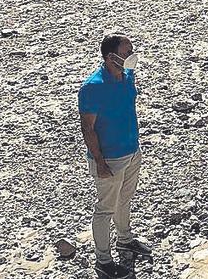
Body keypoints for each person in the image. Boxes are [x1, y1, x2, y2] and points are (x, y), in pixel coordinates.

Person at [79, 33, 152, 279]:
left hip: (132, 151)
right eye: (127, 52)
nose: (132, 56)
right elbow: (88, 127)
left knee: (125, 200)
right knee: (105, 209)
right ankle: (103, 261)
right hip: (109, 158)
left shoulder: (128, 76)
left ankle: (125, 240)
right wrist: (99, 161)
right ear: (111, 57)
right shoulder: (92, 87)